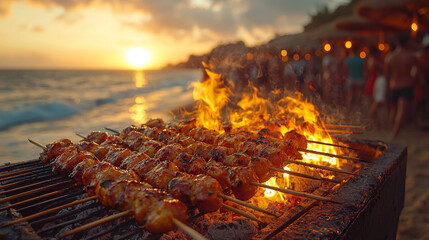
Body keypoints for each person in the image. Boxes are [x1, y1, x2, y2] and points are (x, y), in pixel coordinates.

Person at [384, 33, 419, 138]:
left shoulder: (390, 56)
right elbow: (420, 69)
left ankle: (393, 128)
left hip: (393, 85)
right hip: (406, 84)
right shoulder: (412, 56)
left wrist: (387, 87)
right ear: (408, 42)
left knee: (394, 109)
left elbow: (387, 75)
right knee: (401, 110)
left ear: (397, 42)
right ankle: (395, 133)